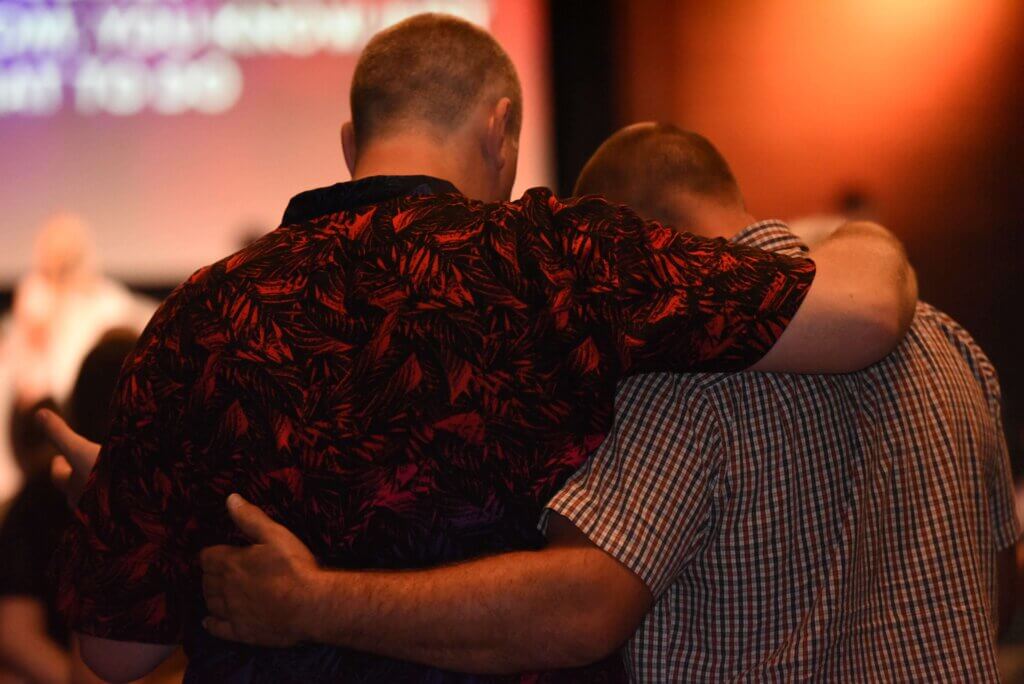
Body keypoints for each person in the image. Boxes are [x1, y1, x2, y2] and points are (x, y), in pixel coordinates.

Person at [48, 15, 916, 683]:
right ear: (502, 130)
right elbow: (867, 316)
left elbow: (116, 656)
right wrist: (869, 235)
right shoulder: (564, 262)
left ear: (350, 144)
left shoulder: (196, 315)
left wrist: (151, 512)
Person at [192, 125, 1017, 680]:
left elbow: (579, 612)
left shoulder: (682, 372)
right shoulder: (949, 346)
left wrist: (311, 602)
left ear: (641, 236)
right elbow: (996, 590)